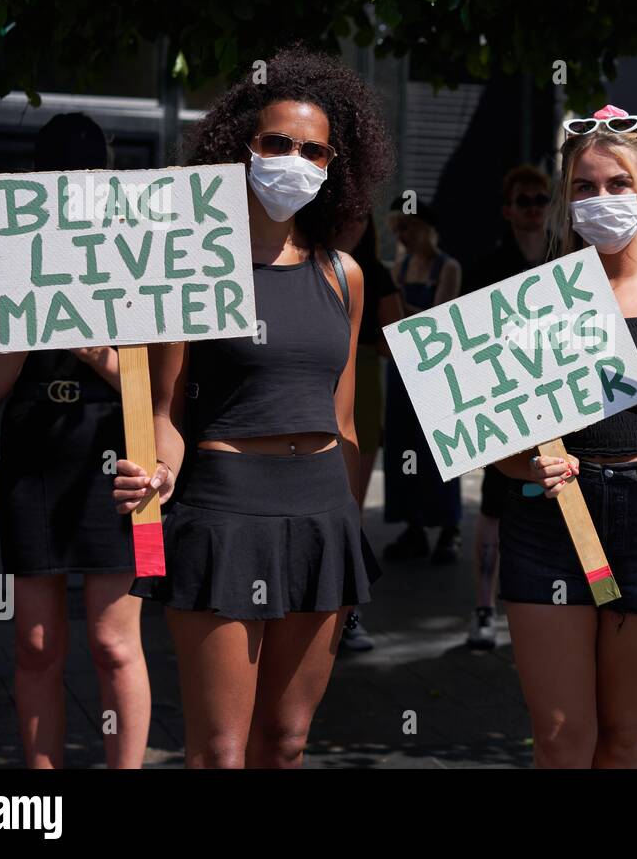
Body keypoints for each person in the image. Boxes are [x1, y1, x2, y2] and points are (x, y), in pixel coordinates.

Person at [112, 46, 391, 768]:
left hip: (323, 516)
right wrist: (159, 473)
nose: (294, 160)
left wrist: (348, 532)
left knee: (288, 742)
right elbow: (167, 409)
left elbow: (347, 421)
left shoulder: (345, 275)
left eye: (314, 150)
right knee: (220, 750)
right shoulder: (193, 270)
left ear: (335, 167)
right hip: (224, 512)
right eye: (277, 143)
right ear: (239, 147)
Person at [495, 105, 637, 768]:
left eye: (618, 184)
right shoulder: (531, 301)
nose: (602, 199)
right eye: (586, 187)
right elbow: (493, 438)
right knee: (564, 739)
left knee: (623, 737)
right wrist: (525, 468)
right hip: (550, 525)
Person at [0, 112, 150, 769]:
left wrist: (90, 344)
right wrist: (24, 321)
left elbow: (156, 382)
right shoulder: (5, 255)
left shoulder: (134, 252)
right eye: (60, 179)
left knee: (114, 642)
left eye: (88, 178)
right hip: (33, 450)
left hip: (117, 445)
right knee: (37, 641)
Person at [463, 164, 550, 650]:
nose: (534, 208)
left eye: (541, 199)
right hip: (507, 408)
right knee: (496, 506)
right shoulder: (486, 269)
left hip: (566, 408)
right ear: (508, 210)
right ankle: (484, 606)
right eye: (525, 201)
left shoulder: (573, 260)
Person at [381, 197, 464, 563]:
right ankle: (413, 525)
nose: (403, 236)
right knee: (403, 446)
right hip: (402, 367)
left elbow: (439, 320)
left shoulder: (448, 267)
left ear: (427, 227)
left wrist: (396, 304)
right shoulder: (402, 264)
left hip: (437, 370)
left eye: (408, 227)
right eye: (397, 229)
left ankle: (449, 527)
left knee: (443, 447)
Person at [336, 215, 403, 652]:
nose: (351, 223)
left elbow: (394, 340)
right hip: (315, 391)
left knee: (349, 509)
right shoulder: (307, 261)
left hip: (357, 389)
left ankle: (348, 613)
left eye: (360, 214)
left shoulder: (373, 273)